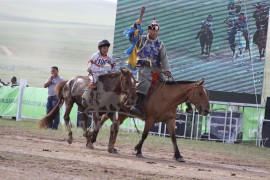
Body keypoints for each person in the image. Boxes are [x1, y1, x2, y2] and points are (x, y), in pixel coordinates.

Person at [126, 17, 172, 115]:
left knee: (163, 83)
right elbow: (131, 38)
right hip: (144, 67)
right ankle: (137, 105)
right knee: (146, 83)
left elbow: (164, 58)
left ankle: (161, 105)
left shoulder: (160, 44)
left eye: (156, 31)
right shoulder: (141, 39)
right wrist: (135, 25)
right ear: (148, 30)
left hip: (156, 69)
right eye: (152, 31)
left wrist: (167, 70)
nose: (154, 33)